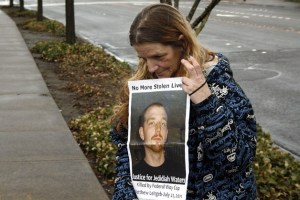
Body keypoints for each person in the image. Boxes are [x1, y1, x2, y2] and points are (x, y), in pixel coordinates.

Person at [110, 3, 257, 199]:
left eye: (159, 56)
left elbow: (237, 162)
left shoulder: (222, 86)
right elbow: (126, 152)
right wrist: (126, 195)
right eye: (144, 58)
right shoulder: (145, 84)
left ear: (182, 43)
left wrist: (206, 103)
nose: (152, 67)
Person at [132, 102, 185, 181]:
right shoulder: (132, 175)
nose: (158, 129)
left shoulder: (182, 172)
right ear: (142, 133)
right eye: (152, 123)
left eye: (163, 123)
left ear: (166, 134)